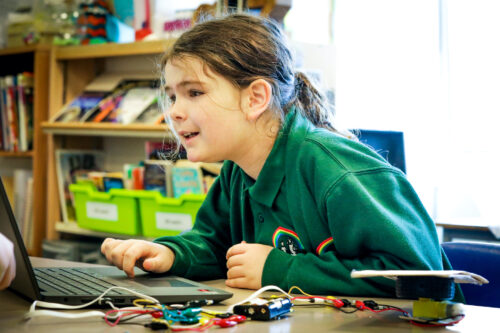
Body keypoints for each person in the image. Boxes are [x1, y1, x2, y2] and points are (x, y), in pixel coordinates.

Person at [101, 14, 459, 299]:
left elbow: (421, 278)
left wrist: (278, 269)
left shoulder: (338, 172)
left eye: (194, 92)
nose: (174, 113)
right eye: (173, 96)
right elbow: (215, 244)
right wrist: (172, 254)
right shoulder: (238, 171)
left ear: (255, 98)